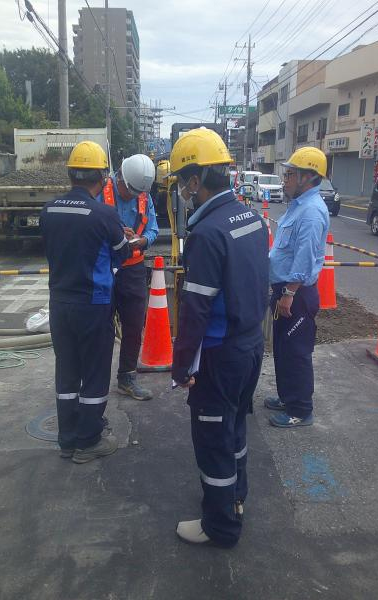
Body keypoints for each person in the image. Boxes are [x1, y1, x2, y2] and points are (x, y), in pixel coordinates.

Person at [170, 128, 269, 547]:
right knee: (235, 427)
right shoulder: (251, 218)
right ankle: (236, 496)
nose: (182, 192)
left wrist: (181, 366)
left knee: (213, 439)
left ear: (196, 180)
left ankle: (221, 526)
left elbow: (196, 310)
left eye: (182, 182)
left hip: (219, 354)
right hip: (250, 346)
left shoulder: (207, 234)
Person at [40, 141, 131, 464]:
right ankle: (89, 441)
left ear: (70, 174)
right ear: (103, 178)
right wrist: (125, 238)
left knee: (67, 371)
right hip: (93, 304)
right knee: (94, 372)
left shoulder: (49, 211)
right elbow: (123, 251)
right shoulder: (104, 214)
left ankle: (67, 439)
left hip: (59, 303)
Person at [265, 146, 330, 428]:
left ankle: (300, 410)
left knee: (296, 352)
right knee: (283, 348)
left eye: (290, 174)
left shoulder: (312, 212)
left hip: (297, 294)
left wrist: (289, 293)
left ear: (308, 177)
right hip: (285, 291)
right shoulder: (299, 207)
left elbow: (305, 256)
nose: (285, 180)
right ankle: (287, 397)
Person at [99, 154, 159, 400]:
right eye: (129, 191)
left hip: (133, 269)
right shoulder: (101, 192)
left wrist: (143, 240)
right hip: (105, 268)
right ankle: (97, 379)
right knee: (101, 326)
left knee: (134, 325)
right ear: (120, 178)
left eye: (137, 193)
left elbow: (153, 228)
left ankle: (126, 377)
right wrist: (113, 234)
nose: (133, 196)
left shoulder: (143, 195)